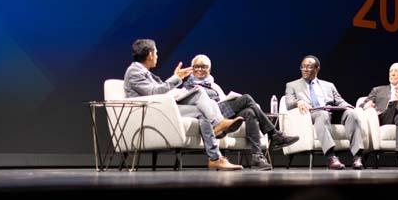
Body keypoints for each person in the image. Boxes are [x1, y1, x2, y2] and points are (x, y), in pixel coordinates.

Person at [123, 39, 244, 171]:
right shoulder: (134, 72)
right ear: (150, 54)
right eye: (156, 53)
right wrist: (176, 78)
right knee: (199, 92)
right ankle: (218, 124)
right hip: (151, 112)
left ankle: (215, 158)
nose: (157, 56)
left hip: (160, 107)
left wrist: (177, 89)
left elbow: (159, 91)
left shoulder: (143, 71)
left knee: (203, 108)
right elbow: (154, 93)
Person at [183, 54, 300, 170]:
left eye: (203, 66)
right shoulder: (189, 86)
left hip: (222, 112)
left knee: (249, 112)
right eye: (196, 66)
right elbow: (192, 104)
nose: (200, 69)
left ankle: (257, 157)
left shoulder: (213, 85)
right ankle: (274, 134)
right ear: (192, 68)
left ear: (209, 69)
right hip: (212, 115)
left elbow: (224, 100)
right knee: (246, 98)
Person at [284, 55, 365, 170]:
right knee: (322, 114)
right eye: (303, 67)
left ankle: (357, 157)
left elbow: (339, 101)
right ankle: (331, 157)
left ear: (317, 69)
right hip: (312, 114)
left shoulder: (329, 85)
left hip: (331, 111)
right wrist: (298, 102)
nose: (305, 69)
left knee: (351, 114)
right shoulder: (292, 85)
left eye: (309, 67)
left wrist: (347, 106)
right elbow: (289, 102)